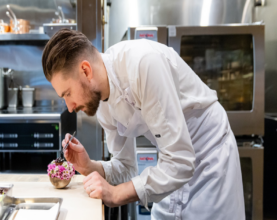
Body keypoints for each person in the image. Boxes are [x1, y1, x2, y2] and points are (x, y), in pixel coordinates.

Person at [42, 29, 245, 220]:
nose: (69, 107)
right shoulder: (103, 105)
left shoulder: (143, 64)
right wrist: (89, 166)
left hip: (209, 157)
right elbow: (127, 167)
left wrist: (116, 194)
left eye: (67, 93)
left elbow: (181, 160)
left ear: (85, 71)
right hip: (169, 165)